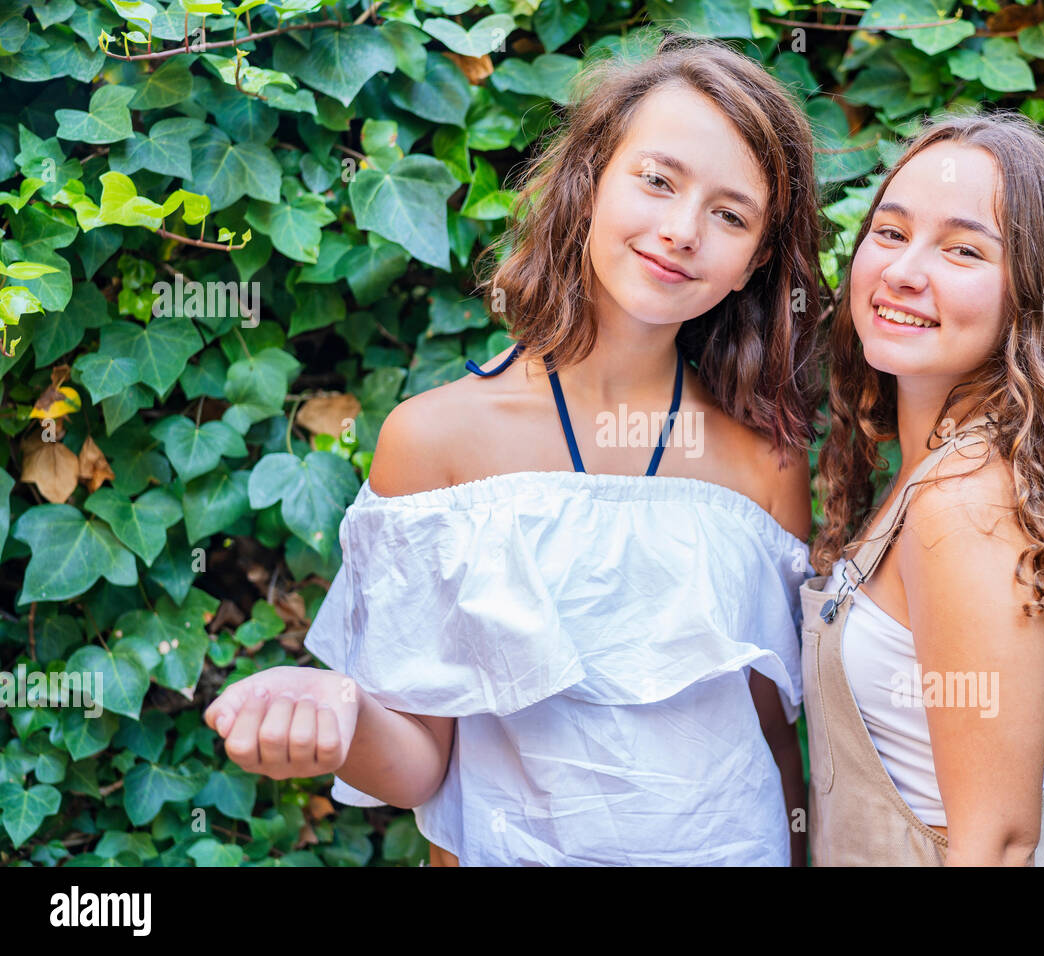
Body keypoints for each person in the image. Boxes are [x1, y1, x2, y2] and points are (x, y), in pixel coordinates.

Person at [203, 34, 826, 866]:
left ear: (755, 261)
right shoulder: (436, 442)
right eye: (658, 180)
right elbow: (419, 767)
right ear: (592, 179)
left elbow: (771, 740)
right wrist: (341, 710)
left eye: (731, 214)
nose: (682, 230)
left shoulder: (767, 461)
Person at [801, 109, 1044, 865]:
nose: (905, 270)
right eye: (890, 232)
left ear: (1034, 299)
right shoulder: (940, 471)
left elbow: (999, 843)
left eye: (964, 250)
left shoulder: (966, 505)